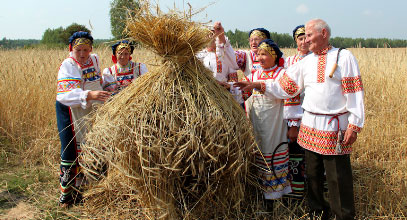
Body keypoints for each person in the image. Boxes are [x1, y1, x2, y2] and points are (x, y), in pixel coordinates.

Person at [235, 19, 364, 220]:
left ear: (324, 34)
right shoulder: (305, 63)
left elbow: (354, 93)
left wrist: (354, 125)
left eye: (309, 35)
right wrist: (257, 85)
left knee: (337, 177)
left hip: (335, 127)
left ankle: (344, 216)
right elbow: (284, 88)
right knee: (312, 175)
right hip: (310, 126)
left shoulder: (343, 57)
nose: (305, 40)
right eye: (303, 36)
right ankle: (317, 212)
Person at [56, 31, 111, 207]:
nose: (82, 54)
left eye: (86, 50)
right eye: (79, 49)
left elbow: (98, 80)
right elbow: (64, 95)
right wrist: (91, 94)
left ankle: (82, 189)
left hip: (90, 109)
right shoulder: (69, 65)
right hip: (71, 111)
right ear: (71, 49)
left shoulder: (94, 59)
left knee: (90, 147)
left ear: (91, 49)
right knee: (71, 150)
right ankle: (66, 196)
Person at [238, 39, 291, 209]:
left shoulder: (282, 74)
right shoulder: (254, 74)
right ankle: (262, 195)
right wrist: (229, 87)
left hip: (275, 125)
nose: (259, 57)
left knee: (273, 154)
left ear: (274, 55)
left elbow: (283, 91)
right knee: (258, 154)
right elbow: (242, 90)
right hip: (256, 124)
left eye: (264, 53)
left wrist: (258, 86)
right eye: (258, 54)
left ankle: (277, 197)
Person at [283, 24, 310, 201]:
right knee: (295, 153)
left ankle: (316, 192)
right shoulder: (289, 62)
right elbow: (289, 92)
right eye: (300, 38)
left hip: (314, 115)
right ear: (296, 42)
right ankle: (297, 193)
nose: (304, 41)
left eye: (306, 38)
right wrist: (293, 124)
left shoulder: (319, 59)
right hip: (296, 116)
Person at [196, 22, 244, 106]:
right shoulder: (199, 56)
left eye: (212, 34)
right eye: (207, 34)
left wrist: (228, 85)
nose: (210, 37)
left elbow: (233, 79)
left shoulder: (225, 55)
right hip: (206, 95)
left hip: (223, 95)